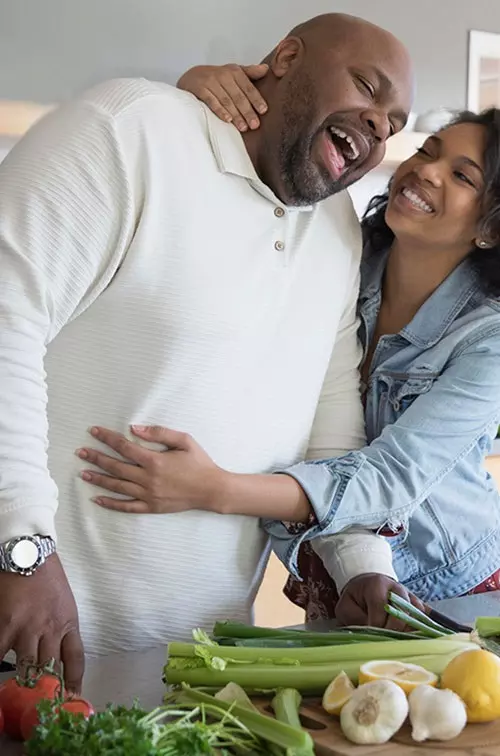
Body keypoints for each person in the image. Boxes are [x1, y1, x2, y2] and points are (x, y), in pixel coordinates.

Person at [0, 13, 413, 691]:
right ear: (285, 58)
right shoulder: (128, 133)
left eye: (394, 123)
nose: (378, 126)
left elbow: (331, 427)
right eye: (367, 87)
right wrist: (20, 550)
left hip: (207, 670)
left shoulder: (339, 231)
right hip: (32, 636)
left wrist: (363, 565)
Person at [80, 77, 500, 626]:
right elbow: (267, 165)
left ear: (491, 228)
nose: (426, 170)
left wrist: (218, 490)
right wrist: (208, 88)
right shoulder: (343, 251)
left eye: (462, 176)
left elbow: (390, 477)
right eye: (427, 150)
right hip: (335, 560)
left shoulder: (487, 341)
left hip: (447, 583)